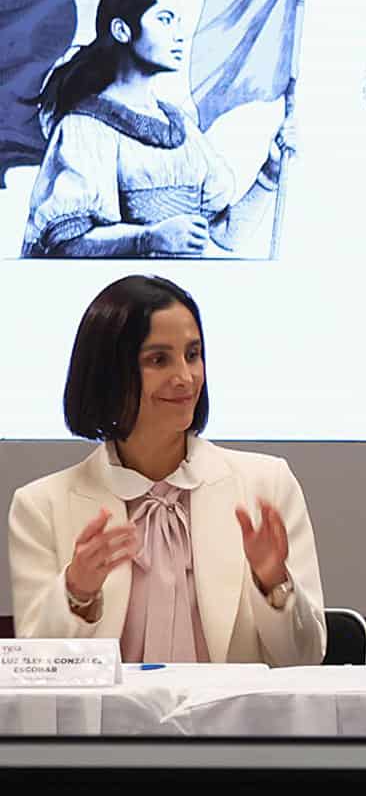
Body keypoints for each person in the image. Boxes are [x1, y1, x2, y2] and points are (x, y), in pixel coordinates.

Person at [8, 276, 326, 663]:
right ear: (109, 373)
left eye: (193, 354)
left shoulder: (266, 484)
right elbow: (35, 675)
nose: (186, 377)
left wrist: (274, 583)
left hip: (234, 722)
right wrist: (77, 592)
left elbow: (306, 659)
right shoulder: (40, 506)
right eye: (159, 360)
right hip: (106, 725)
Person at [19, 0, 293, 258]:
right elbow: (67, 242)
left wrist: (270, 172)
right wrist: (148, 239)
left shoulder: (182, 127)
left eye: (177, 22)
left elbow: (227, 235)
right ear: (122, 30)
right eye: (165, 19)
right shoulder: (84, 128)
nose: (178, 34)